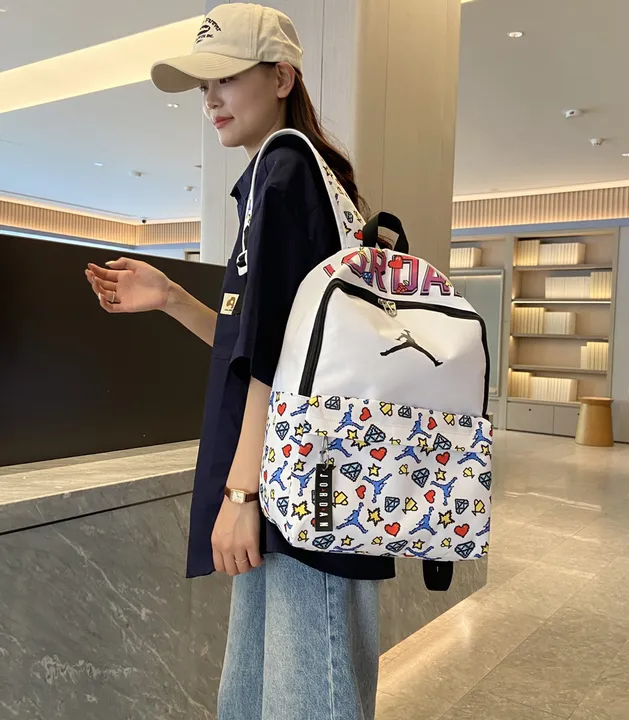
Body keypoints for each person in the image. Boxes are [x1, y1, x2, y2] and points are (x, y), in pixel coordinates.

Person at [85, 5, 394, 719]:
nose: (210, 99)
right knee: (265, 695)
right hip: (306, 483)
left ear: (282, 78)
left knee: (303, 698)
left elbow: (270, 362)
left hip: (300, 490)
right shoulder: (278, 179)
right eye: (203, 86)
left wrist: (241, 496)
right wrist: (171, 298)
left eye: (225, 78)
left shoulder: (286, 172)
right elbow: (263, 340)